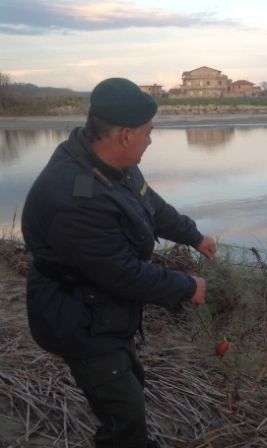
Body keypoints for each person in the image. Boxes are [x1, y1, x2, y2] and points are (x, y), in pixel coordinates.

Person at [21, 78, 216, 448]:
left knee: (130, 384)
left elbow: (149, 202)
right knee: (124, 412)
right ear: (126, 135)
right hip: (76, 317)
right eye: (148, 132)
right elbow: (122, 273)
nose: (150, 141)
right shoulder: (75, 198)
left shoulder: (112, 162)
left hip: (105, 309)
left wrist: (193, 235)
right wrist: (187, 286)